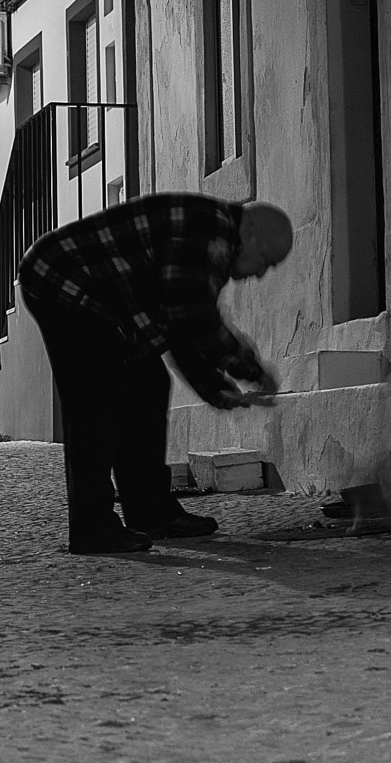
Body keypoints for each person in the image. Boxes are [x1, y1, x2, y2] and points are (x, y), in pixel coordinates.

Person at [17, 193, 294, 555]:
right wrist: (251, 371)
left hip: (110, 302)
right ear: (252, 234)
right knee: (97, 399)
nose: (260, 274)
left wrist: (215, 388)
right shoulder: (208, 233)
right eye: (266, 261)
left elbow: (178, 326)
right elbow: (192, 319)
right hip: (63, 281)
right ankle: (92, 528)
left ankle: (150, 512)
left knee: (147, 385)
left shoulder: (213, 235)